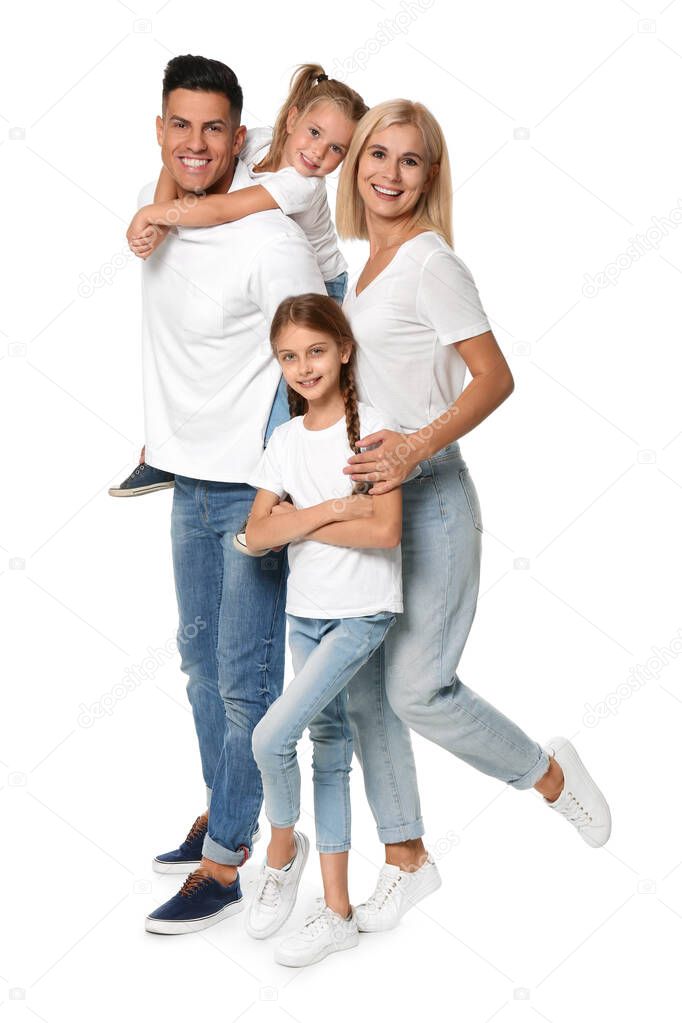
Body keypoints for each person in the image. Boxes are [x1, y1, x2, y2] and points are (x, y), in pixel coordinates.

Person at [297, 99, 612, 932]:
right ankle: (407, 859)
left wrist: (412, 448)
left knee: (417, 688)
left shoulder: (432, 262)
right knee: (365, 692)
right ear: (356, 164)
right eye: (376, 155)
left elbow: (495, 376)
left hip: (432, 500)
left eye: (409, 160)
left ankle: (549, 775)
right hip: (372, 507)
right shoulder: (365, 267)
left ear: (430, 176)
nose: (388, 174)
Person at [139, 54, 327, 935]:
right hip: (188, 478)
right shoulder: (169, 208)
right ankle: (225, 807)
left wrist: (288, 486)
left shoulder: (273, 236)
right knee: (197, 667)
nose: (196, 143)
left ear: (242, 135)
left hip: (250, 488)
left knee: (245, 683)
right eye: (180, 125)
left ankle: (226, 859)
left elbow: (320, 364)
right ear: (160, 130)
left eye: (215, 127)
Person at [110, 63, 368, 498]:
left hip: (325, 287)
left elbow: (222, 211)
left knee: (285, 401)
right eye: (314, 133)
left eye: (337, 149)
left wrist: (157, 216)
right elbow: (179, 163)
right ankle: (170, 453)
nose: (318, 153)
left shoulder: (300, 185)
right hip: (273, 273)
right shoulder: (258, 141)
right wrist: (161, 219)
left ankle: (280, 489)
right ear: (291, 120)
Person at [243, 293, 403, 967]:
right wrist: (336, 507)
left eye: (314, 350)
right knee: (328, 745)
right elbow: (256, 533)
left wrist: (300, 517)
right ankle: (335, 910)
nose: (302, 366)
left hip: (362, 611)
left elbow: (384, 529)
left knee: (270, 736)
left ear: (343, 349)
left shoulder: (376, 431)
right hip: (304, 610)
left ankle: (283, 847)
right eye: (288, 357)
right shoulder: (283, 441)